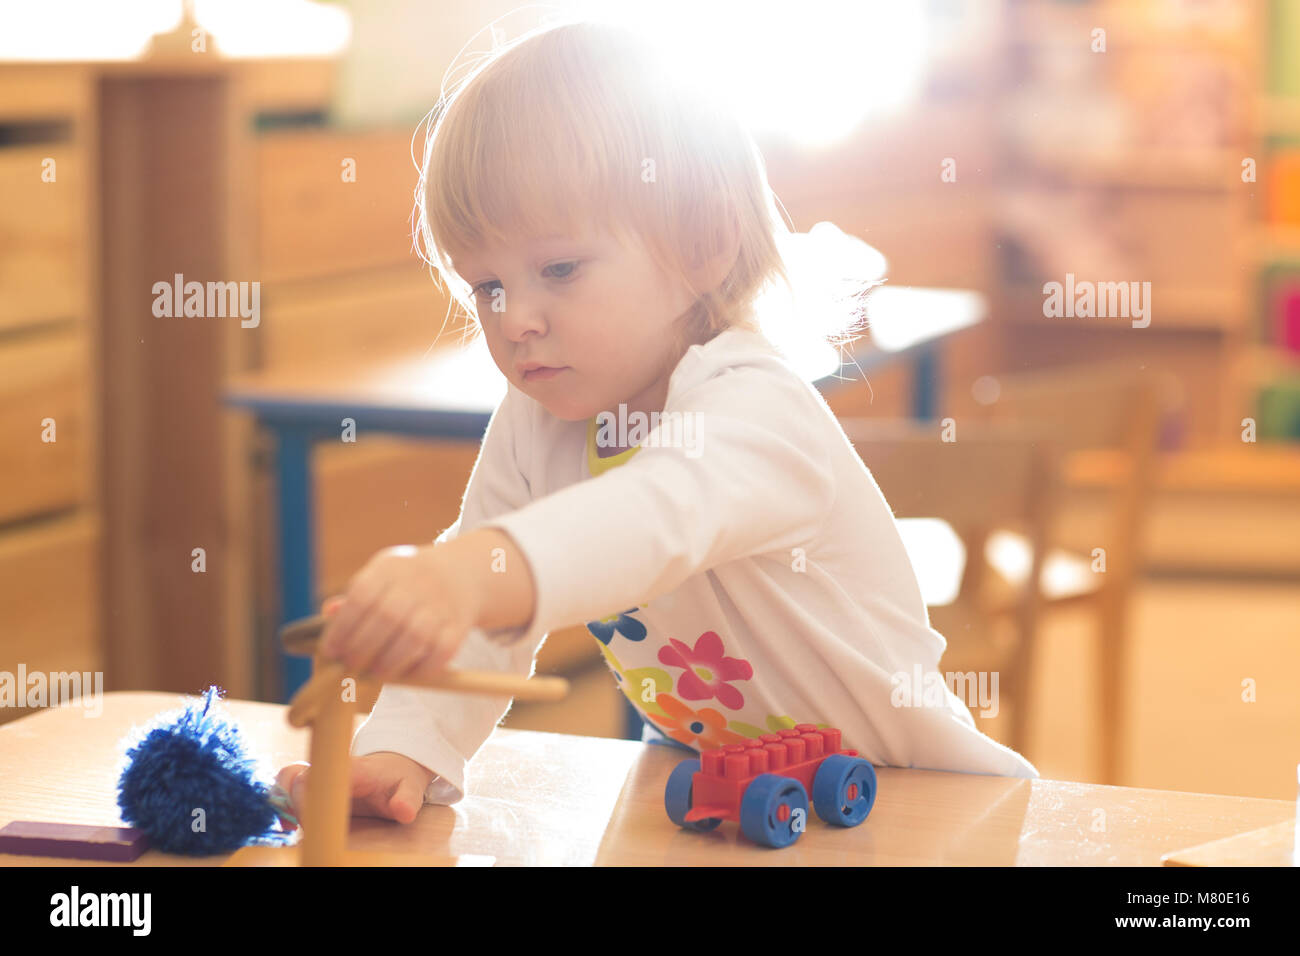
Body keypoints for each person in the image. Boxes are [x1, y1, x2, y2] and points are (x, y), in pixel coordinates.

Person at [276, 16, 1036, 830]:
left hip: (904, 793)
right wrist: (406, 744)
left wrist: (466, 571)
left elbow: (658, 513)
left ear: (705, 243)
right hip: (714, 786)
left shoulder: (755, 404)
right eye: (486, 287)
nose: (515, 319)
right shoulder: (538, 419)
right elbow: (488, 620)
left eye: (558, 269)